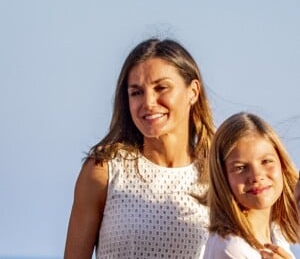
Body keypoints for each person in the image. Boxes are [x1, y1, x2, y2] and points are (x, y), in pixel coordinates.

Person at [64, 38, 215, 259]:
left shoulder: (218, 176)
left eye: (161, 88)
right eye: (136, 92)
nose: (148, 102)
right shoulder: (104, 171)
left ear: (192, 91)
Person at [203, 112, 300, 259]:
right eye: (240, 168)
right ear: (222, 178)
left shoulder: (276, 233)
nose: (256, 176)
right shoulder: (232, 248)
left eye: (266, 161)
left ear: (282, 165)